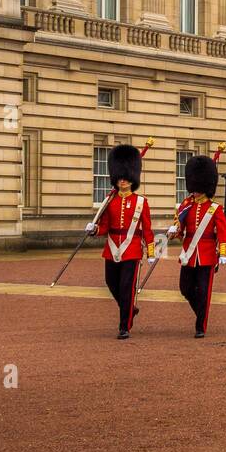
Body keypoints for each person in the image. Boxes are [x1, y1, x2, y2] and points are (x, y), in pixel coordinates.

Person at [86, 143, 155, 340]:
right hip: (112, 247)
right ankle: (129, 308)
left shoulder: (141, 202)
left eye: (125, 178)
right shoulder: (110, 201)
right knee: (111, 283)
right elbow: (105, 227)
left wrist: (151, 252)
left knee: (126, 287)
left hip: (132, 249)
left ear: (132, 179)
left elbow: (147, 230)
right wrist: (95, 229)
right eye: (119, 178)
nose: (122, 181)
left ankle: (124, 326)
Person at [167, 153, 226, 338]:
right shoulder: (186, 205)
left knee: (204, 292)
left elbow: (223, 232)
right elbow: (181, 228)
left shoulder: (215, 209)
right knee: (185, 288)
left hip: (207, 254)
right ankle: (200, 313)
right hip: (189, 253)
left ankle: (200, 325)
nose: (194, 190)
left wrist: (223, 252)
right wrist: (174, 231)